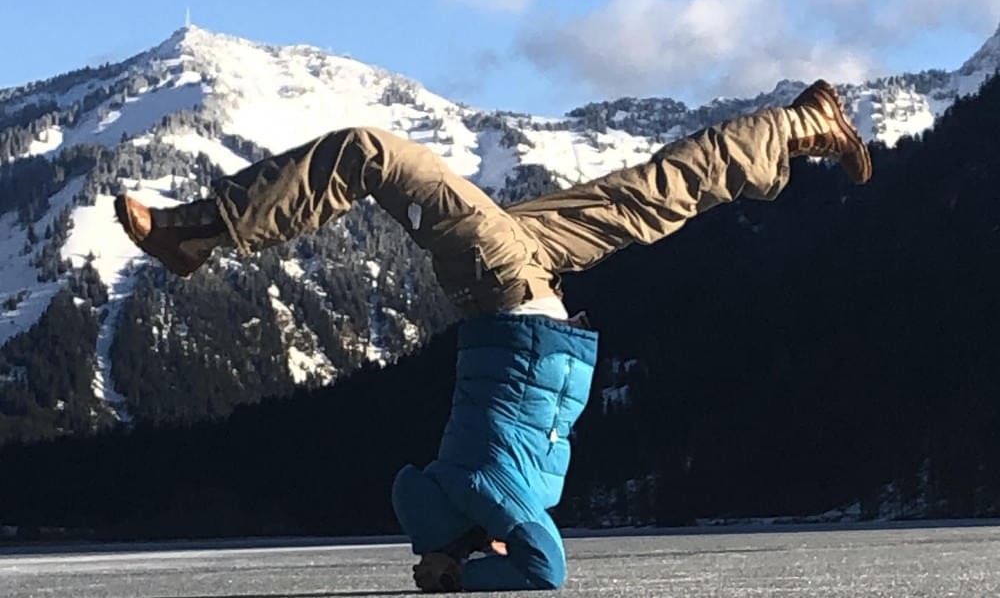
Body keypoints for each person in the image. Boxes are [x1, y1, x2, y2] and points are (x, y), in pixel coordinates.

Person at [115, 79, 871, 592]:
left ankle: (800, 124)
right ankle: (198, 232)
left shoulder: (494, 496)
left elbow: (524, 559)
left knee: (651, 194)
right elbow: (543, 571)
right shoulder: (478, 489)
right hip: (508, 293)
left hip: (520, 300)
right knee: (372, 156)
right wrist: (457, 570)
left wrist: (458, 569)